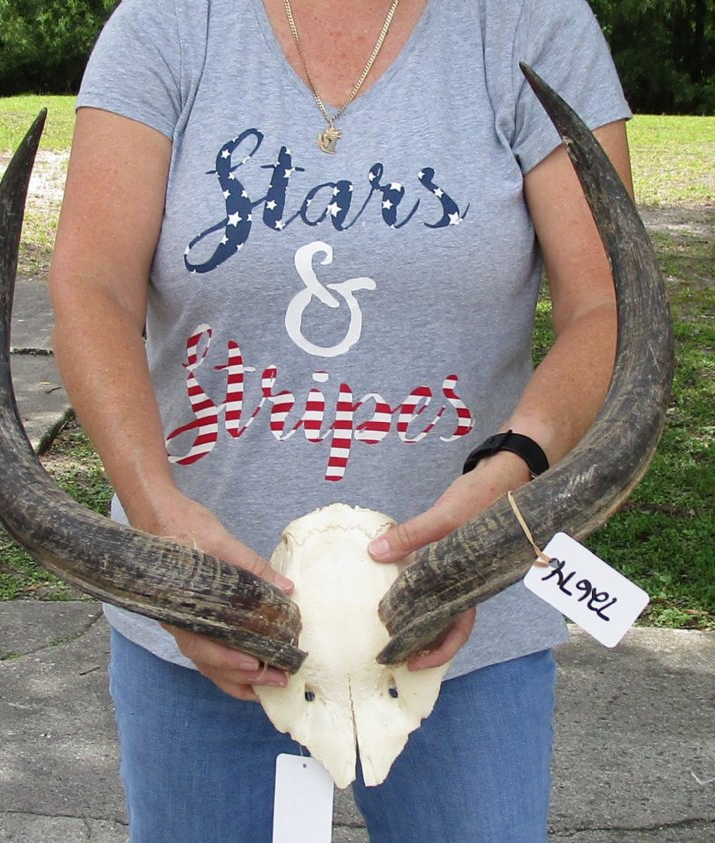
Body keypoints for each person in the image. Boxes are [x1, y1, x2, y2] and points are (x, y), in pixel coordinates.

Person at [48, 0, 633, 839]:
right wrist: (155, 516)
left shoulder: (529, 21)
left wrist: (511, 477)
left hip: (463, 623)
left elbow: (606, 302)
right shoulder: (169, 22)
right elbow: (91, 286)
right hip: (209, 621)